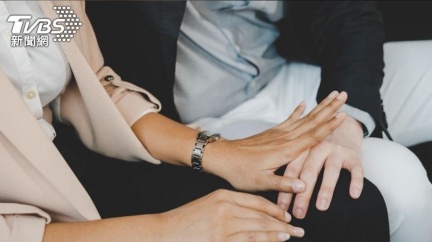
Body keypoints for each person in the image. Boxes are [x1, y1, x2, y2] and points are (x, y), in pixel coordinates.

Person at [0, 1, 390, 242]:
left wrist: (218, 152)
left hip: (78, 167)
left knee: (346, 206)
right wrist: (164, 230)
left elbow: (82, 78)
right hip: (35, 219)